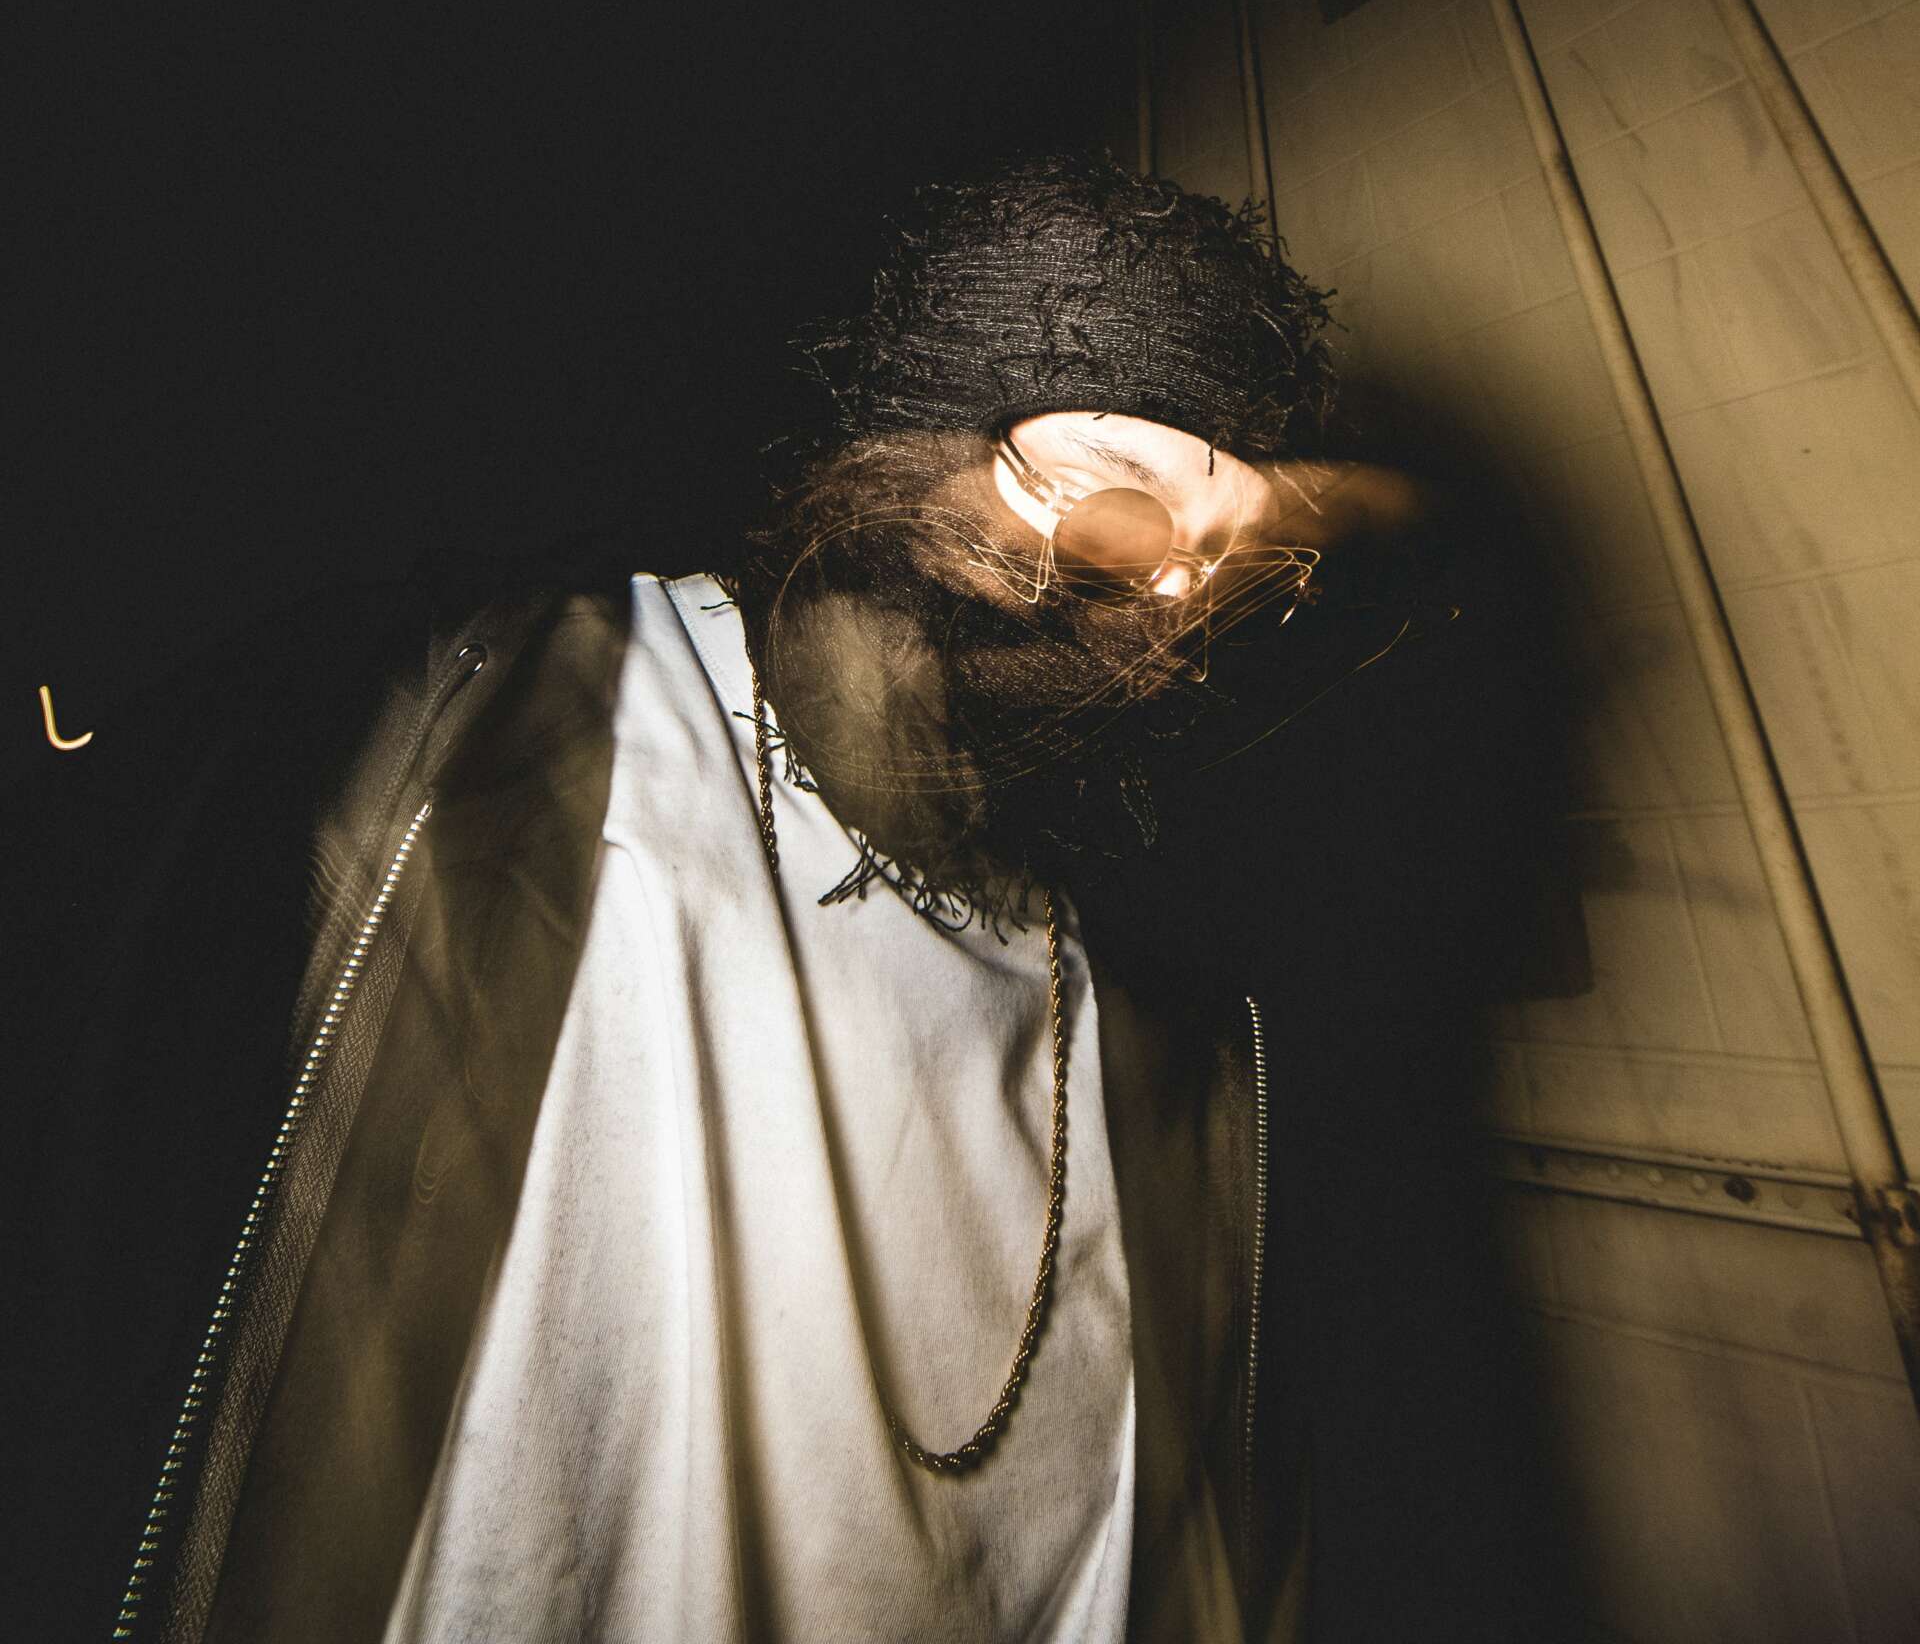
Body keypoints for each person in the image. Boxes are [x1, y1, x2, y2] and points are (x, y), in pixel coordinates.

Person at [20, 153, 1576, 1642]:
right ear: (916, 448)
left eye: (1238, 563)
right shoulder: (491, 732)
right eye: (1120, 510)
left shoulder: (1172, 1042)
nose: (1176, 600)